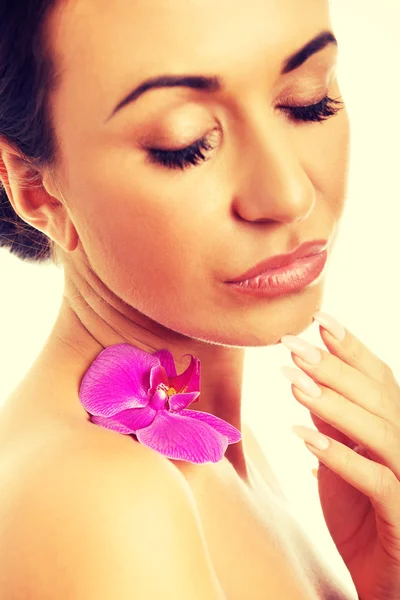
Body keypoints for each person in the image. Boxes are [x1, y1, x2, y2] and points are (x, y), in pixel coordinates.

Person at [1, 1, 400, 599]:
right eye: (184, 143)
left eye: (307, 101)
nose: (288, 195)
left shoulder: (227, 457)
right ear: (37, 189)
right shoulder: (103, 500)